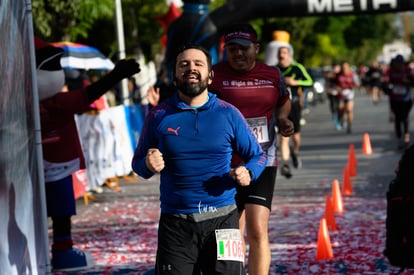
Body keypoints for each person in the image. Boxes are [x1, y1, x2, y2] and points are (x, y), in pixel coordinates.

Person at [131, 44, 267, 275]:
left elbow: (257, 155)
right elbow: (138, 165)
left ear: (210, 75)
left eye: (198, 64)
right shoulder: (159, 116)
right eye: (183, 64)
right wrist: (147, 163)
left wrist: (249, 172)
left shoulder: (228, 113)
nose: (190, 68)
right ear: (174, 76)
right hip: (176, 223)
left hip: (223, 221)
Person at [35, 36, 141, 272]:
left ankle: (51, 249)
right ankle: (60, 251)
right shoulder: (56, 103)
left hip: (38, 168)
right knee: (58, 209)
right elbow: (88, 94)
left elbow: (87, 94)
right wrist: (115, 76)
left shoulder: (27, 103)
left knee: (50, 210)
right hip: (51, 166)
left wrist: (115, 76)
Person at [210, 23, 294, 275]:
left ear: (256, 49)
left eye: (244, 48)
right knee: (230, 231)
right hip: (224, 164)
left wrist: (282, 119)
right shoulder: (214, 74)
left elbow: (284, 101)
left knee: (258, 229)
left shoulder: (272, 74)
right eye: (232, 49)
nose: (238, 54)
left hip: (262, 161)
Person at [277, 46, 313, 178]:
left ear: (289, 55)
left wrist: (294, 82)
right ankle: (285, 164)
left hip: (294, 104)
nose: (282, 56)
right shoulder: (275, 70)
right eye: (280, 53)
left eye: (284, 53)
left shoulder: (297, 68)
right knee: (283, 136)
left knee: (296, 137)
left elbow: (310, 81)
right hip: (280, 106)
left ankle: (295, 152)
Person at [384, 55, 413, 149]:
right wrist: (388, 86)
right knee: (397, 118)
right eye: (397, 63)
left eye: (401, 63)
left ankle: (406, 135)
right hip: (395, 98)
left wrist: (407, 81)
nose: (399, 65)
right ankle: (399, 137)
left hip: (406, 98)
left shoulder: (407, 71)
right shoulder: (390, 71)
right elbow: (385, 82)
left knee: (405, 117)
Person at [334, 61, 360, 134]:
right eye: (343, 67)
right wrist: (337, 88)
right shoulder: (338, 75)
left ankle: (349, 125)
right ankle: (341, 119)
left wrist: (352, 86)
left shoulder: (353, 75)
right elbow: (335, 83)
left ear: (348, 67)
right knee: (340, 108)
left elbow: (357, 84)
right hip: (341, 94)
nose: (344, 69)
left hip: (349, 94)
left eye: (346, 67)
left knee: (349, 109)